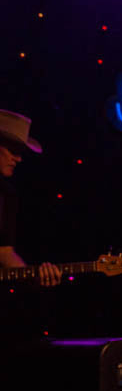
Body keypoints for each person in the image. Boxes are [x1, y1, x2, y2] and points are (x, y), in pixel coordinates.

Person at [0, 109, 61, 287]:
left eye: (21, 152)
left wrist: (34, 276)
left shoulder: (7, 194)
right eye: (13, 150)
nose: (18, 159)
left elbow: (4, 253)